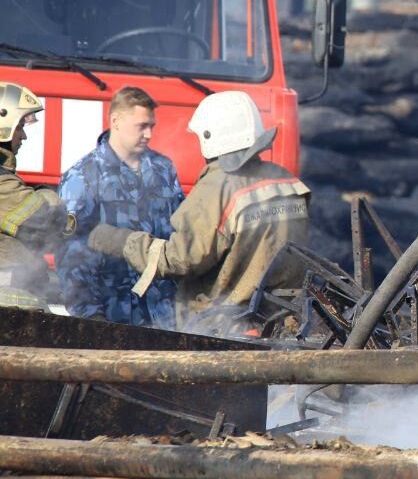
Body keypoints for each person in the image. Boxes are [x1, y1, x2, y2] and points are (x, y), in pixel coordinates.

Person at [87, 91, 310, 329]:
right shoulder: (286, 181)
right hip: (281, 322)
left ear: (209, 136)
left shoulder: (218, 187)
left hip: (227, 328)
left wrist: (116, 239)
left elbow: (179, 259)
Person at [58, 87, 184, 326]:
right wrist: (90, 317)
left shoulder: (163, 168)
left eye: (151, 126)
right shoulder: (83, 176)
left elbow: (179, 232)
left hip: (164, 316)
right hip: (114, 315)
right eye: (141, 126)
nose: (148, 134)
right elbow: (71, 253)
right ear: (116, 121)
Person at [0, 82, 76, 308]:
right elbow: (41, 225)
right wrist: (52, 200)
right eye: (20, 127)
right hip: (9, 305)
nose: (23, 136)